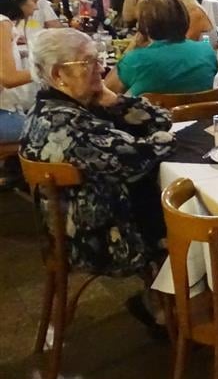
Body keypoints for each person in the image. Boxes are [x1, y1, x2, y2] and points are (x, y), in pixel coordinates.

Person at [22, 27, 175, 277]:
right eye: (88, 62)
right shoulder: (67, 124)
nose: (101, 69)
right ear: (58, 74)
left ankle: (164, 293)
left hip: (74, 228)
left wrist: (114, 100)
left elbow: (162, 120)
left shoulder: (50, 106)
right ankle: (177, 298)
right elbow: (143, 154)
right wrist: (168, 139)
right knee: (184, 209)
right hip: (98, 239)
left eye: (98, 59)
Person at [105, 0, 217, 97]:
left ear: (144, 26)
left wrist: (133, 45)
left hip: (151, 116)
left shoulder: (135, 60)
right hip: (197, 115)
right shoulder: (206, 52)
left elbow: (107, 90)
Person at [0, 0, 42, 141]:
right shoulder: (2, 24)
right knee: (55, 135)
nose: (37, 8)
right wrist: (48, 68)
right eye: (34, 1)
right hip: (2, 113)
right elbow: (9, 78)